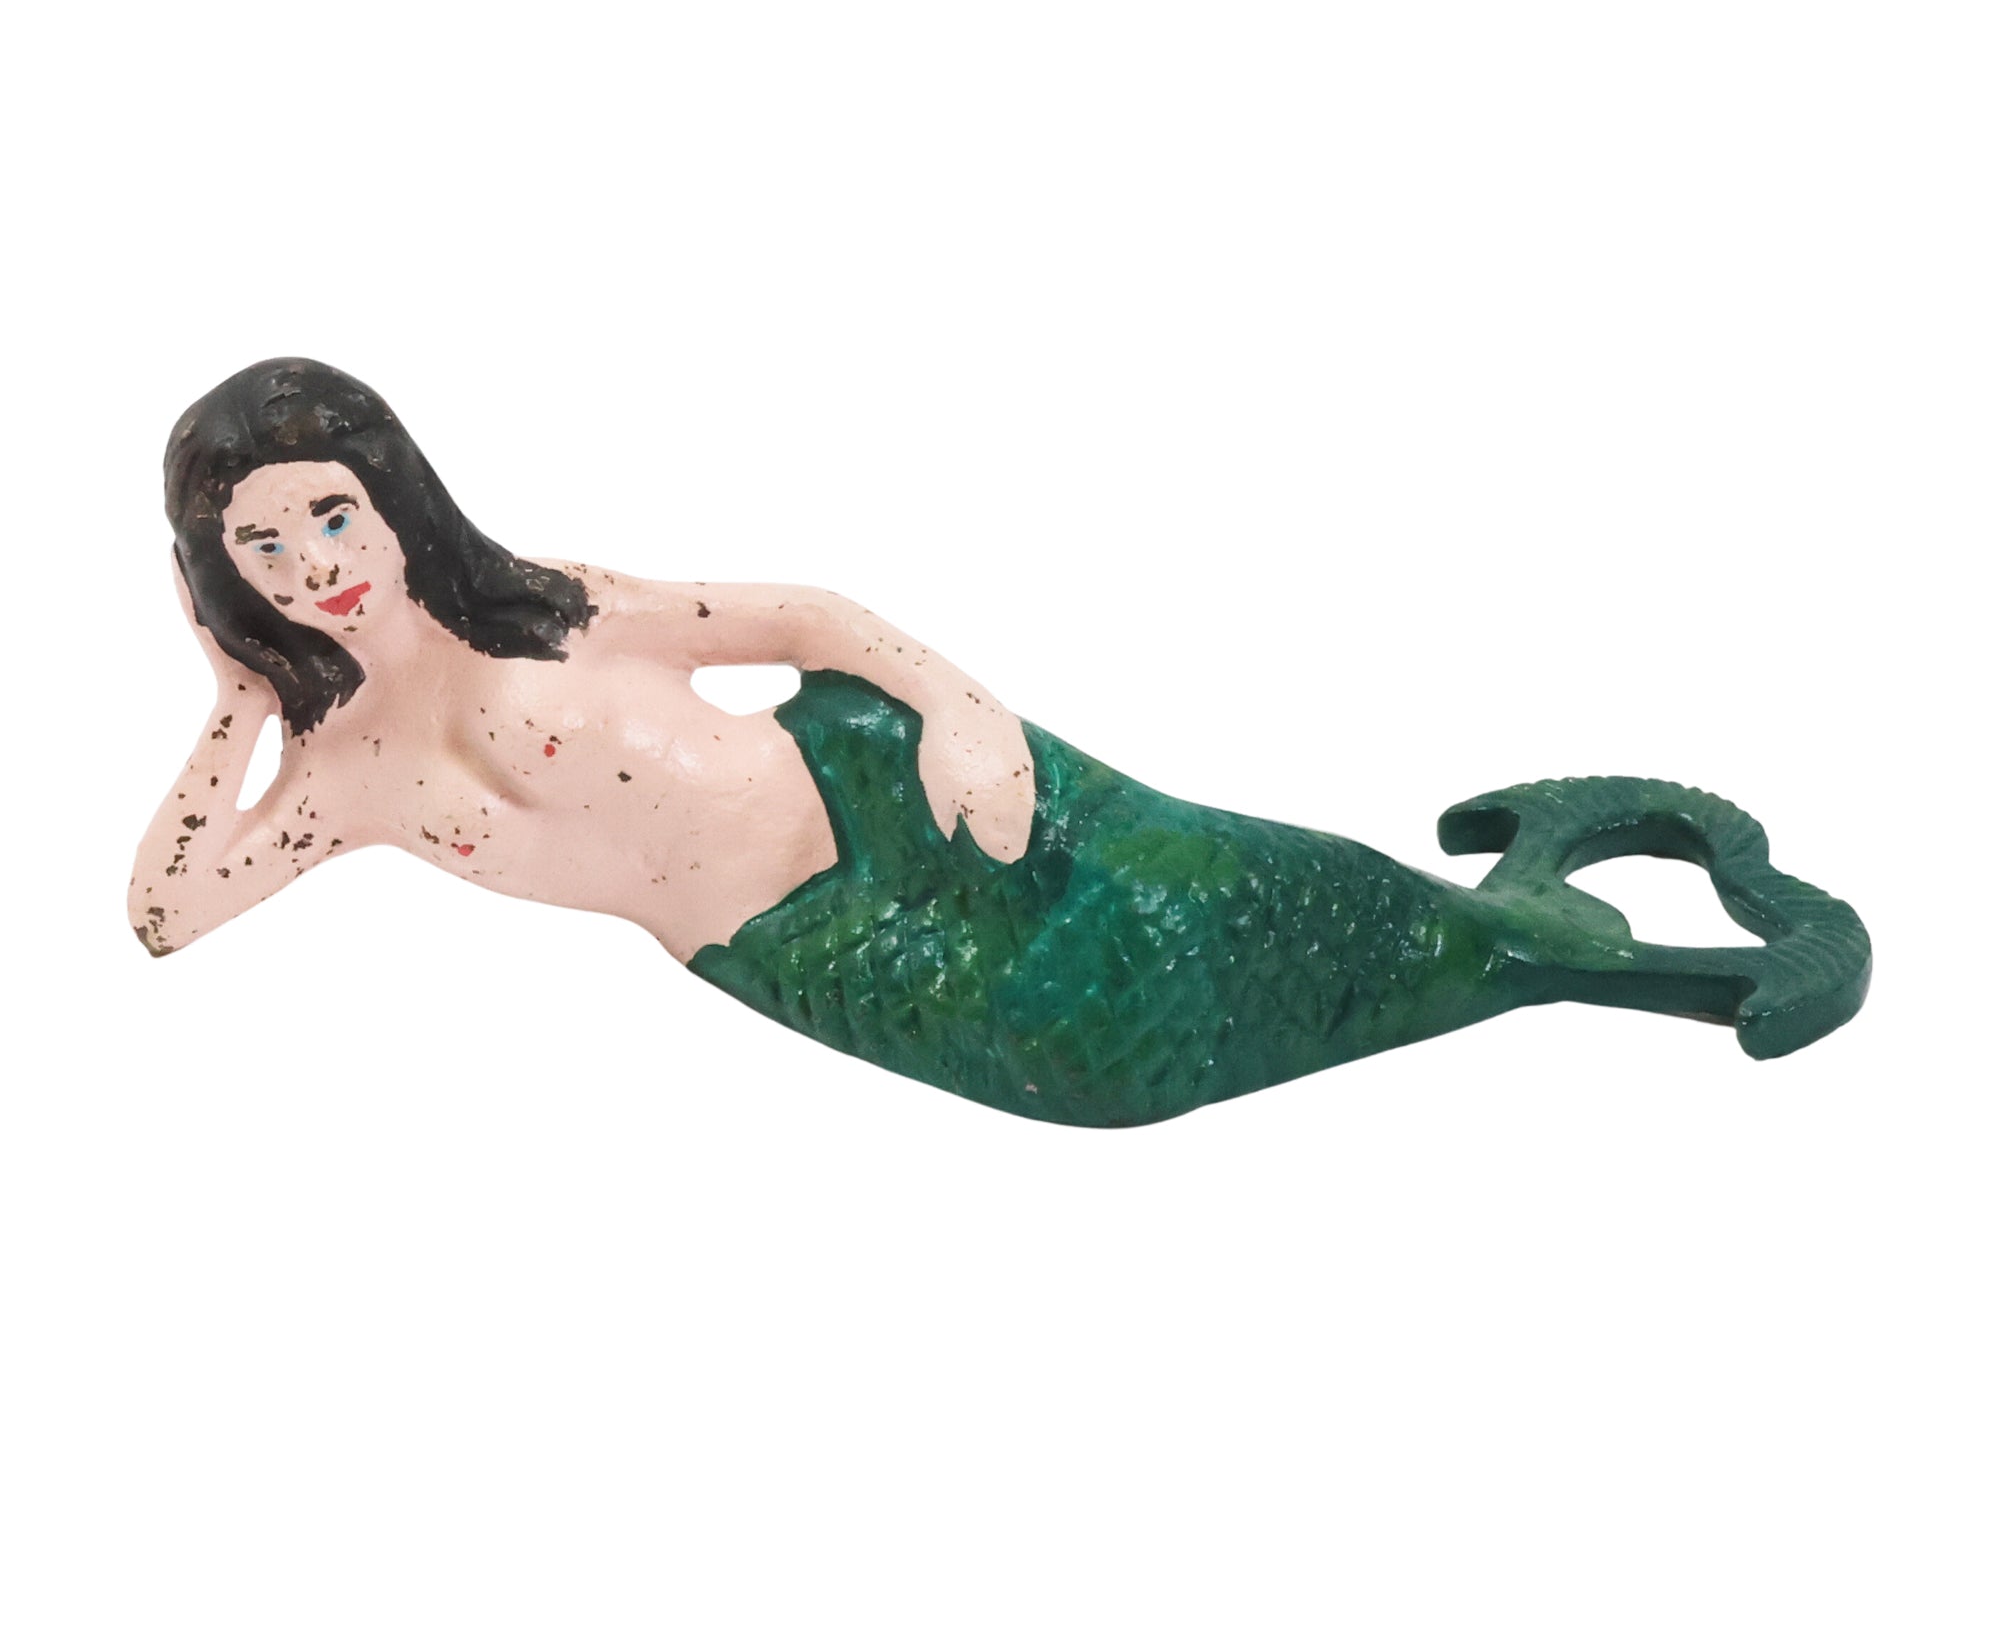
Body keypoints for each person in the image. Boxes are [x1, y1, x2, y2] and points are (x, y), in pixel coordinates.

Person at [133, 359, 1869, 1127]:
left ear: (393, 491)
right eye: (261, 546)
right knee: (1110, 1063)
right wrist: (230, 708)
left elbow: (798, 615)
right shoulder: (340, 781)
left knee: (1235, 902)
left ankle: (1612, 950)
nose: (313, 566)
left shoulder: (555, 605)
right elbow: (166, 912)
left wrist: (958, 707)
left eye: (329, 513)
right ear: (222, 573)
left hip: (897, 793)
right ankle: (1554, 914)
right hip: (795, 944)